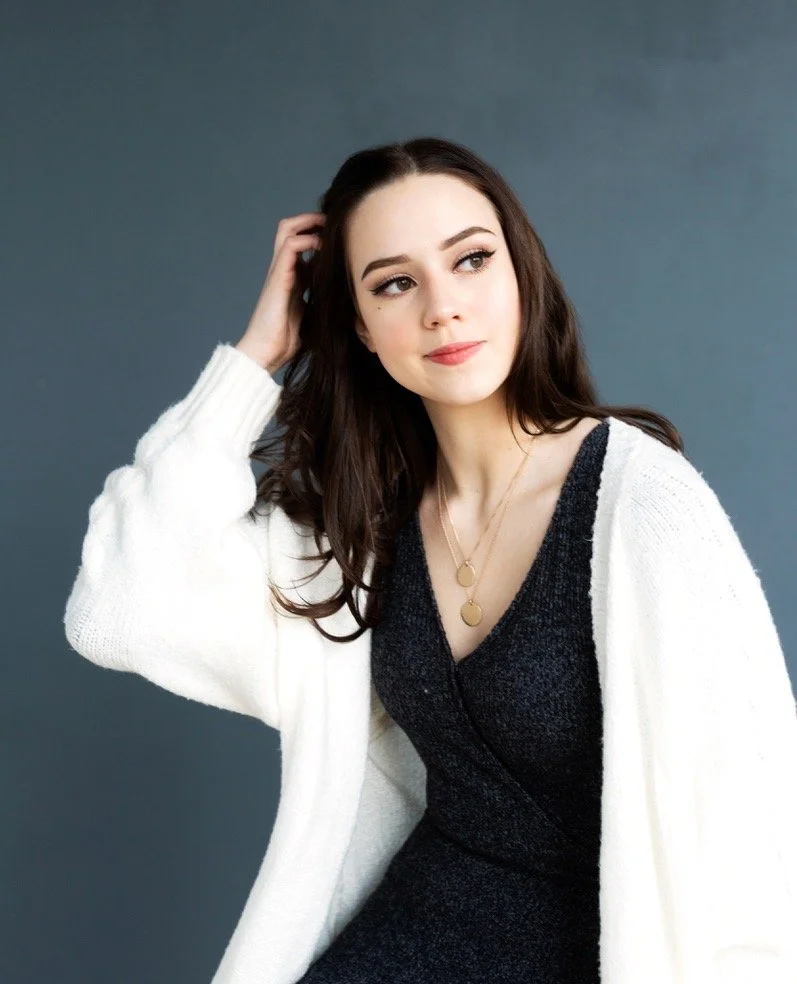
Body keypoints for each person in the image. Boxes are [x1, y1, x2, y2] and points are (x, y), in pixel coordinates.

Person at [63, 137, 797, 984]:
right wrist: (253, 360)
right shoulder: (360, 530)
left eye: (472, 261)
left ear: (520, 274)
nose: (442, 308)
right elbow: (119, 608)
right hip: (409, 942)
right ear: (361, 329)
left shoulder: (641, 504)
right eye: (395, 283)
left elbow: (758, 828)